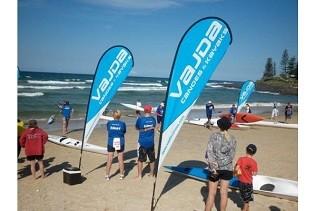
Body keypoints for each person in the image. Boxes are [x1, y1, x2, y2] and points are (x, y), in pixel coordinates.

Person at [205, 117, 237, 211]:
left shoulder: (214, 136)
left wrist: (215, 166)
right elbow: (232, 156)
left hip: (215, 169)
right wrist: (222, 164)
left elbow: (209, 153)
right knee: (224, 193)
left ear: (219, 126)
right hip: (227, 168)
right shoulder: (233, 139)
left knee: (211, 193)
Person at [234, 144, 258, 211]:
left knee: (245, 198)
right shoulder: (254, 162)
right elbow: (254, 173)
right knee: (246, 201)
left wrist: (236, 173)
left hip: (240, 182)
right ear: (254, 153)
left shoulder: (241, 159)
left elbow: (236, 168)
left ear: (246, 150)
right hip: (248, 183)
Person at [135, 105, 156, 178]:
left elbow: (137, 128)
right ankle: (151, 173)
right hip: (151, 142)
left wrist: (144, 128)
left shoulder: (140, 119)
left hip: (142, 142)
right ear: (150, 111)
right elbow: (153, 126)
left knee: (140, 160)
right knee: (152, 159)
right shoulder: (153, 119)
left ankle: (140, 175)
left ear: (144, 111)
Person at [105, 110, 126, 181]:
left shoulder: (109, 123)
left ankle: (107, 175)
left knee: (109, 159)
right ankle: (121, 175)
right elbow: (124, 131)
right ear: (120, 116)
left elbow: (108, 130)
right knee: (120, 159)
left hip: (111, 141)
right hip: (119, 141)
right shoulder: (122, 123)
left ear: (113, 116)